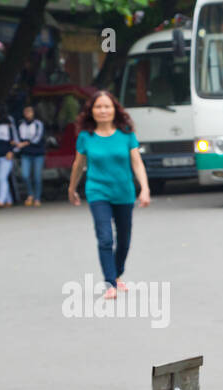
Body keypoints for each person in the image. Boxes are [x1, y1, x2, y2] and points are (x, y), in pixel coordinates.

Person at [68, 90, 151, 298]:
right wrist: (72, 188)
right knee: (105, 238)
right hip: (98, 191)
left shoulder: (126, 133)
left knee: (124, 238)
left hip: (124, 192)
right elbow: (78, 165)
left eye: (107, 106)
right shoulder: (85, 137)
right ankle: (110, 283)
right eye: (98, 107)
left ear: (114, 110)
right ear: (91, 111)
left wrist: (145, 188)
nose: (103, 110)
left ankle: (117, 273)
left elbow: (137, 163)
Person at [14, 104, 46, 206]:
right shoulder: (21, 124)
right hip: (25, 154)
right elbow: (18, 139)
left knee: (37, 177)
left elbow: (37, 139)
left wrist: (24, 143)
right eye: (26, 111)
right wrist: (16, 147)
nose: (27, 114)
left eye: (30, 111)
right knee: (25, 175)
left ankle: (37, 198)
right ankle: (30, 194)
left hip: (38, 153)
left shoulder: (38, 124)